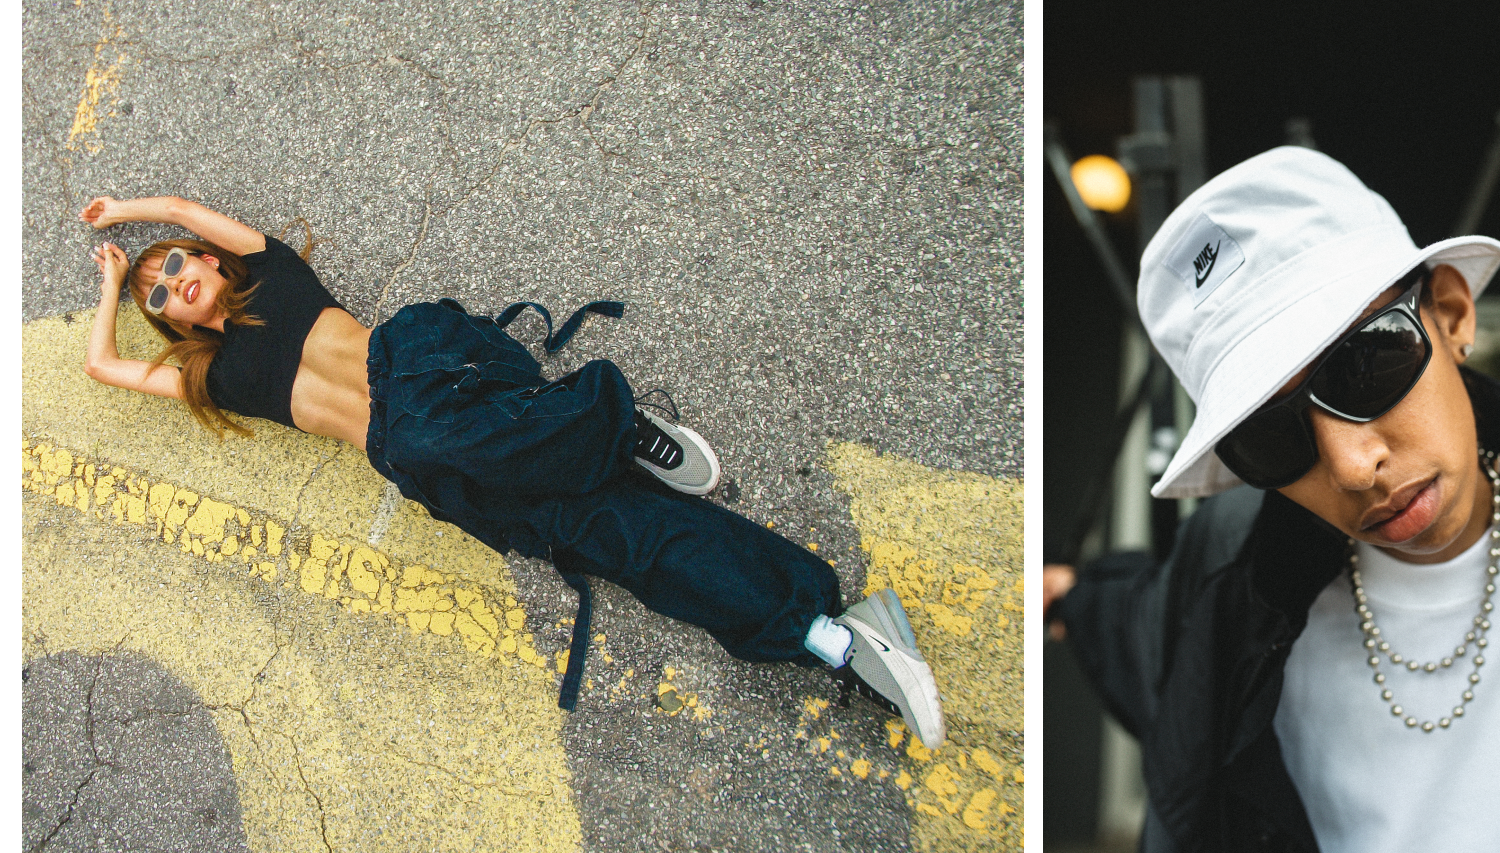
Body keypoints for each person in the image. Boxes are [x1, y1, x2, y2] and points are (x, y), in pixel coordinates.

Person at [78, 194, 946, 749]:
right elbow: (104, 369)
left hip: (423, 364)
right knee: (615, 536)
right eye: (159, 293)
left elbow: (193, 208)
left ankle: (609, 416)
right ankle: (827, 631)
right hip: (431, 459)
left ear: (211, 260)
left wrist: (130, 213)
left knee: (418, 439)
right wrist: (115, 284)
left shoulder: (274, 273)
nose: (176, 284)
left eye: (179, 263)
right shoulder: (208, 375)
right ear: (168, 323)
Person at [1043, 147, 1500, 852]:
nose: (1352, 466)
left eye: (1365, 365)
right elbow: (1149, 631)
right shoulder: (1239, 576)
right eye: (1269, 439)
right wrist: (1071, 596)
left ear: (1450, 313)